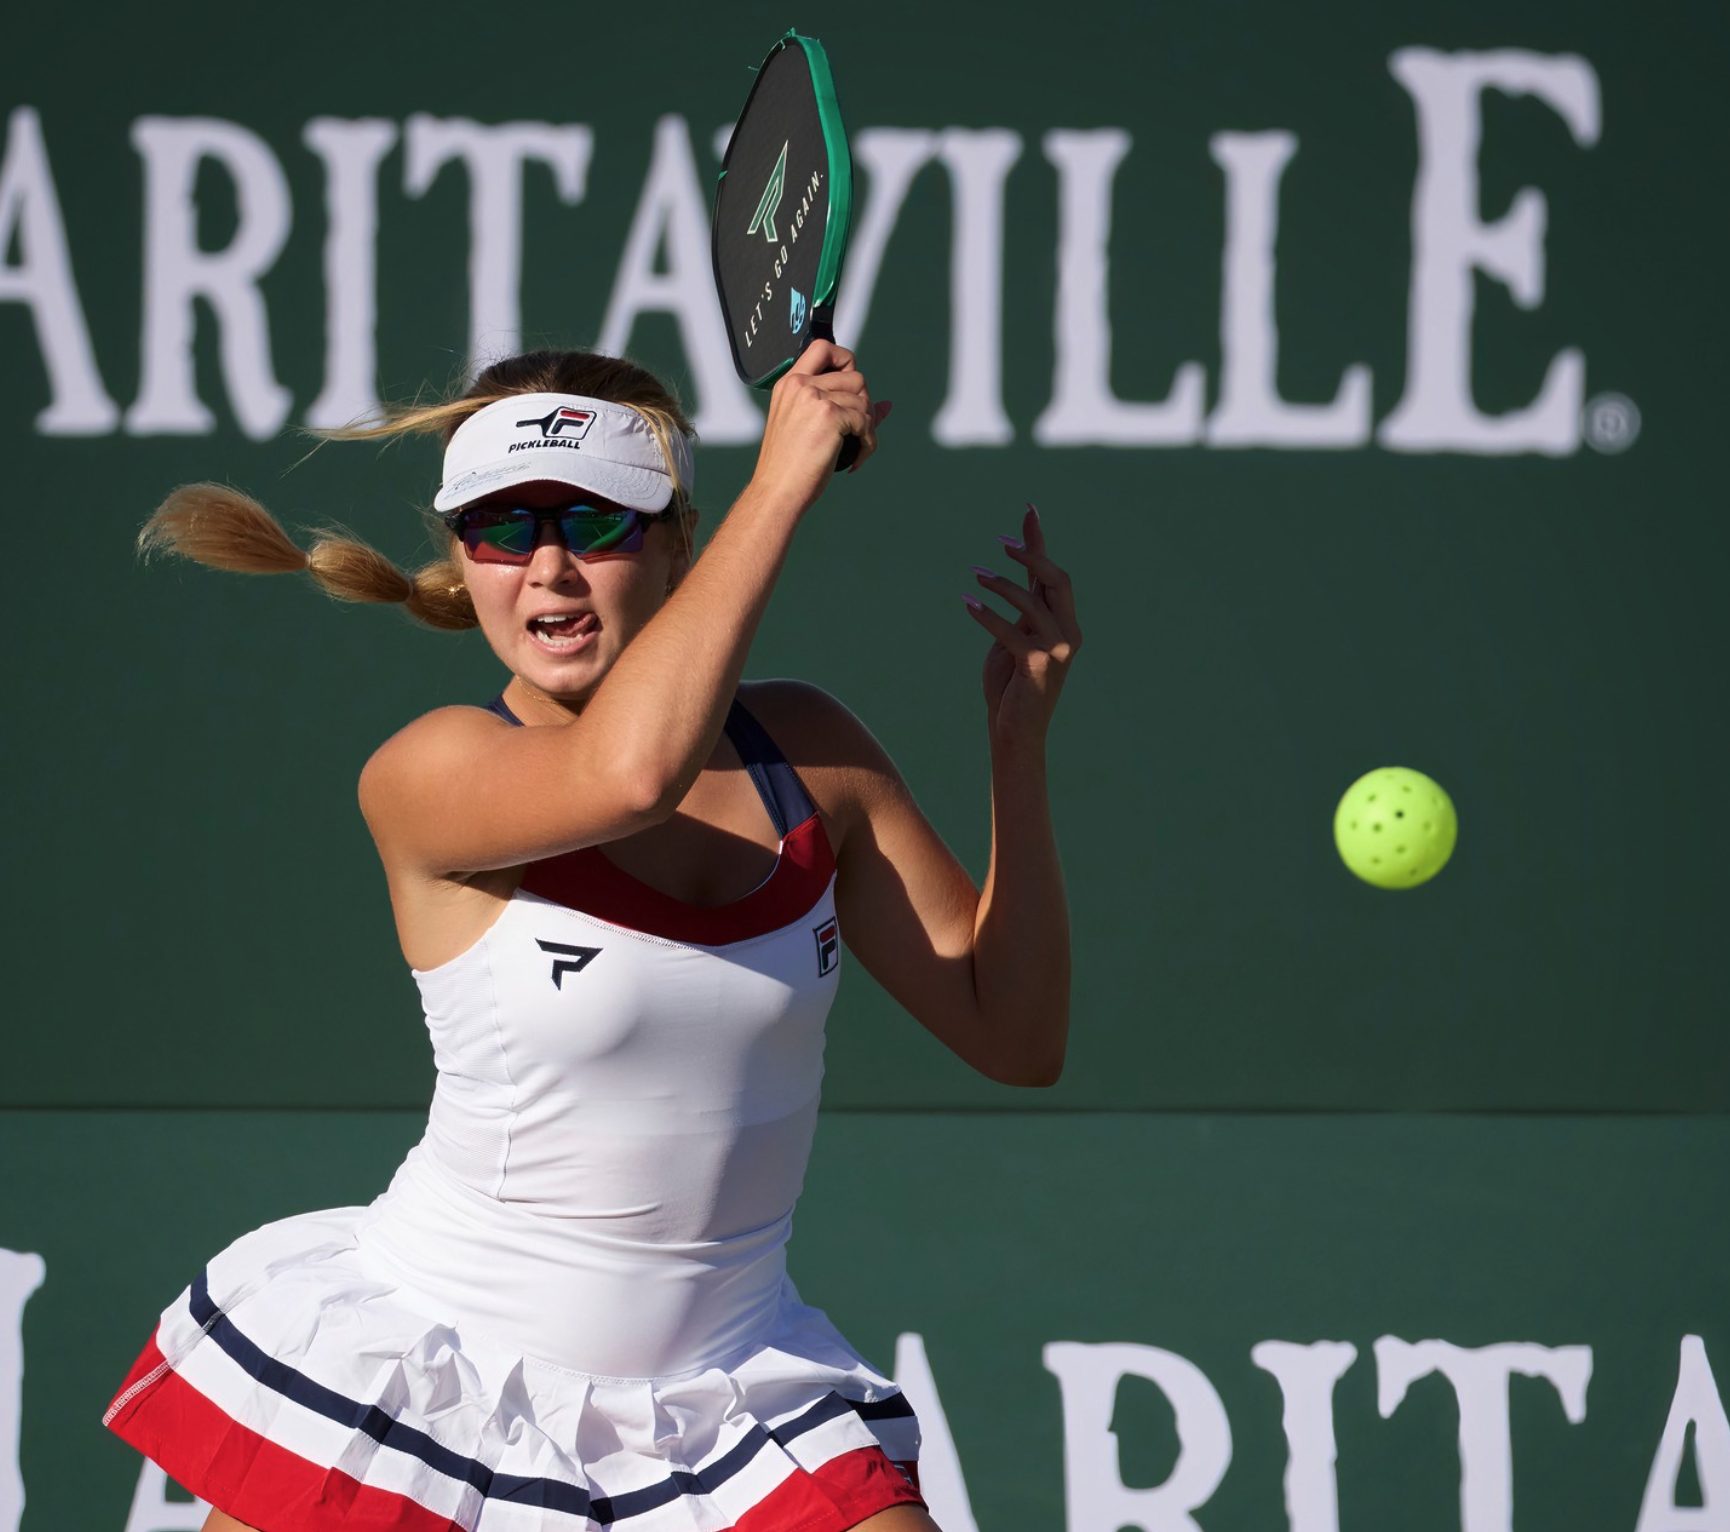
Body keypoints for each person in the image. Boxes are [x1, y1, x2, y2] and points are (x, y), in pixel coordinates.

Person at [101, 342, 1080, 1532]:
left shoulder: (809, 754)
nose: (548, 566)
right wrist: (783, 482)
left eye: (594, 522)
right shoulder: (428, 770)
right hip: (439, 1389)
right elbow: (630, 774)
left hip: (731, 1400)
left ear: (676, 539)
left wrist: (1015, 752)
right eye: (502, 528)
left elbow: (1015, 1033)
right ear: (464, 562)